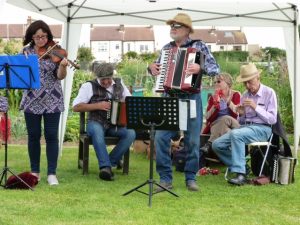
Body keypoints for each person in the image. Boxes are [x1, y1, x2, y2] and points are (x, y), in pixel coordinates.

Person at [148, 13, 219, 192]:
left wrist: (200, 67)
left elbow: (215, 68)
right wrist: (151, 68)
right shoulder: (166, 49)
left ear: (187, 30)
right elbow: (157, 69)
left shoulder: (199, 46)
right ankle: (165, 179)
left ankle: (190, 178)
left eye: (177, 26)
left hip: (191, 98)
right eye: (172, 25)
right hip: (169, 98)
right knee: (160, 138)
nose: (173, 28)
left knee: (192, 141)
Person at [20, 20, 69, 186]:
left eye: (44, 36)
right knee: (33, 136)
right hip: (31, 100)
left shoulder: (56, 51)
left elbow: (60, 76)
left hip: (52, 99)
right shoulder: (25, 52)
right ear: (32, 37)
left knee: (51, 136)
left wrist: (63, 66)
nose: (41, 40)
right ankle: (35, 171)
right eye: (38, 36)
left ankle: (52, 173)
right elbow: (20, 74)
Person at [212, 63, 277, 185]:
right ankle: (243, 167)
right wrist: (240, 114)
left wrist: (255, 107)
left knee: (237, 134)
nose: (247, 85)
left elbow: (272, 119)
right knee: (216, 144)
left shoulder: (269, 93)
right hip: (245, 127)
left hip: (263, 129)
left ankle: (240, 175)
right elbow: (241, 122)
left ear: (258, 78)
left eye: (250, 82)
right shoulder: (245, 95)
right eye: (245, 83)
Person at [72, 62, 136, 181]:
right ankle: (105, 167)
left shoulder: (119, 83)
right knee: (97, 132)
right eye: (102, 80)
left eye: (108, 79)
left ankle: (110, 162)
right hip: (96, 122)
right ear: (97, 77)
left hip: (114, 125)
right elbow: (76, 107)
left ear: (112, 76)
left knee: (131, 133)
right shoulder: (89, 86)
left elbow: (130, 102)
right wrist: (98, 105)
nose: (106, 82)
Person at [200, 73, 240, 153]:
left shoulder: (236, 94)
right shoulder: (213, 98)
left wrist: (229, 103)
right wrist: (215, 106)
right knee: (224, 127)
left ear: (227, 83)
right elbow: (207, 117)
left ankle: (209, 143)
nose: (216, 84)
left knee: (225, 118)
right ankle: (230, 153)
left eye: (218, 81)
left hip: (233, 124)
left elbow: (238, 114)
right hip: (218, 126)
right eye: (215, 82)